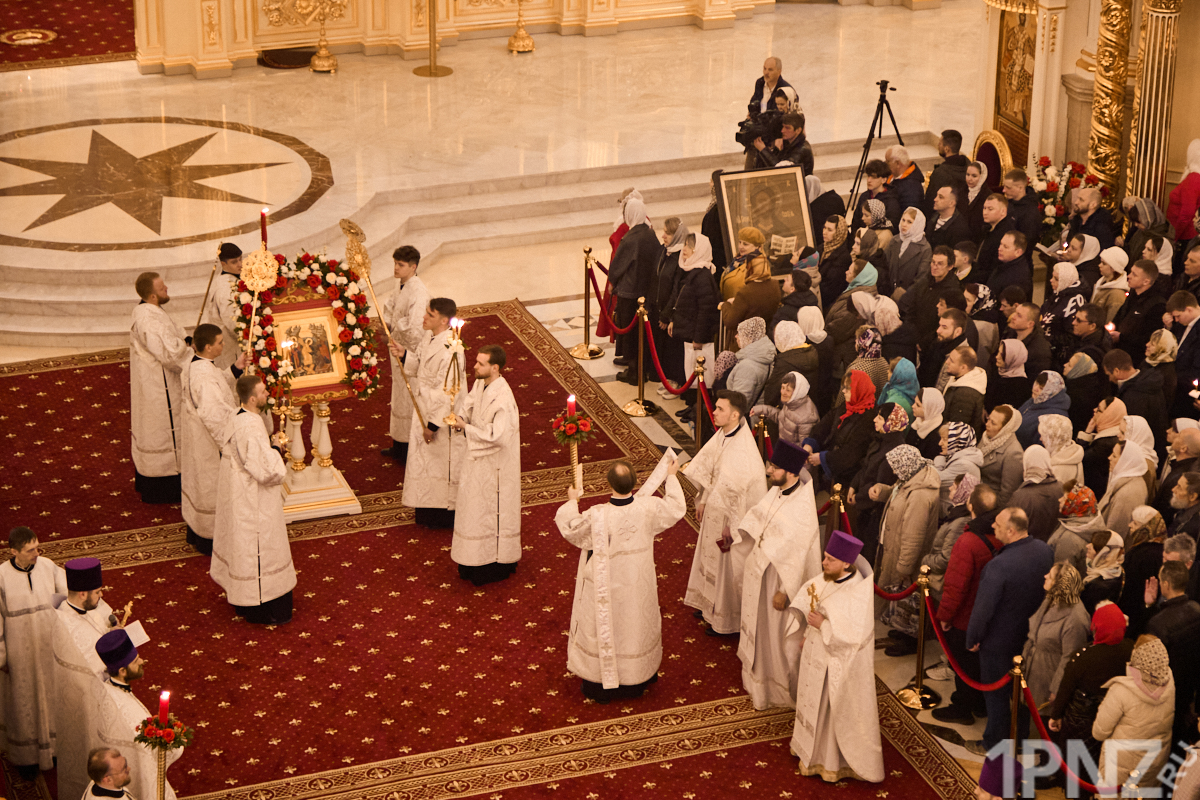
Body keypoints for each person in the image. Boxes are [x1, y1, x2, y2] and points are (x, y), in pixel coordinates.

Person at [555, 457, 686, 703]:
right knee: (635, 624)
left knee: (606, 625)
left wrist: (572, 501)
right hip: (638, 582)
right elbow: (676, 507)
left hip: (607, 584)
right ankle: (637, 675)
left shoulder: (598, 515)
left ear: (609, 484)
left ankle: (602, 680)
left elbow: (572, 528)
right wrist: (671, 476)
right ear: (634, 483)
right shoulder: (649, 507)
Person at [788, 530, 884, 783]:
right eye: (824, 556)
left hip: (835, 664)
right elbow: (815, 603)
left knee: (827, 711)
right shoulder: (828, 577)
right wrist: (808, 633)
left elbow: (853, 638)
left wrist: (822, 625)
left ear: (846, 564)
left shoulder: (856, 593)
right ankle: (805, 749)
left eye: (830, 559)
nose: (824, 563)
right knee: (810, 701)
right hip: (816, 651)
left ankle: (826, 761)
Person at [735, 441, 822, 709]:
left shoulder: (801, 508)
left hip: (779, 579)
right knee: (759, 629)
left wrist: (784, 591)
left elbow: (799, 554)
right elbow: (760, 516)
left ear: (792, 472)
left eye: (775, 467)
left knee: (775, 636)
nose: (769, 471)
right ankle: (756, 678)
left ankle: (776, 690)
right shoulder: (778, 490)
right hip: (761, 570)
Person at [965, 507, 1054, 755]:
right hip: (1030, 636)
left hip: (999, 641)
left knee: (996, 695)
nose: (993, 526)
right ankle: (1020, 737)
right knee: (1022, 693)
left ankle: (994, 743)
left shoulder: (999, 565)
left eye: (997, 524)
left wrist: (972, 638)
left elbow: (983, 609)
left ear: (1011, 531)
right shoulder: (1044, 550)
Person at [210, 374, 295, 625]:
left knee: (245, 547)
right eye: (263, 391)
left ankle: (244, 600)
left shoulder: (238, 416)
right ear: (252, 399)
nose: (267, 394)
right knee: (260, 549)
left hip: (241, 494)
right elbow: (268, 471)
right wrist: (277, 449)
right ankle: (264, 607)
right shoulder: (250, 427)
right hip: (253, 501)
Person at [684, 391, 768, 635]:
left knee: (724, 568)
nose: (714, 412)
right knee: (707, 559)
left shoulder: (743, 449)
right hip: (714, 509)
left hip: (729, 519)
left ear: (735, 415)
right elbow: (711, 470)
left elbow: (741, 495)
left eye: (720, 409)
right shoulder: (723, 434)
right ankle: (706, 603)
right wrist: (703, 499)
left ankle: (723, 619)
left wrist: (732, 524)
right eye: (716, 407)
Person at [445, 345, 521, 586]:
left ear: (495, 368)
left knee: (489, 512)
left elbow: (498, 436)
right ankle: (472, 559)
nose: (475, 366)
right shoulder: (480, 384)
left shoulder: (504, 399)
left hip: (496, 467)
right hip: (477, 461)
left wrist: (466, 428)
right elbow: (469, 405)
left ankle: (492, 563)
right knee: (472, 510)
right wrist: (461, 418)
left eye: (480, 363)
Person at [0, 527, 67, 780]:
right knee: (23, 701)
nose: (37, 554)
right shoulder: (1, 577)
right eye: (30, 550)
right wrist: (2, 656)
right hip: (19, 652)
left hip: (49, 646)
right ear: (13, 551)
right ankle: (26, 758)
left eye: (37, 547)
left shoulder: (48, 566)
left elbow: (66, 600)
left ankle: (55, 750)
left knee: (51, 696)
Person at [932, 483, 1001, 723]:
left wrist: (945, 616)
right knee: (979, 664)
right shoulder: (1001, 534)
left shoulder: (967, 541)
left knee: (963, 665)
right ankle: (980, 704)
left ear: (971, 506)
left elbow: (955, 585)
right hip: (989, 614)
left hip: (965, 617)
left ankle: (962, 708)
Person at [51, 557, 118, 800]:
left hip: (100, 691)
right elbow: (93, 663)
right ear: (82, 594)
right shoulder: (65, 623)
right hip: (82, 698)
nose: (102, 596)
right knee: (86, 745)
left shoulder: (93, 606)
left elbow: (106, 623)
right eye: (98, 592)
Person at [1044, 602, 1136, 775]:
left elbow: (1066, 688)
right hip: (1116, 721)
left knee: (1077, 769)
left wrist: (1055, 715)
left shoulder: (1083, 656)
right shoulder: (1131, 650)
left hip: (1082, 723)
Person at [402, 298, 468, 528]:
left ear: (443, 320)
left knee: (439, 465)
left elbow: (449, 391)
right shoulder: (429, 337)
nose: (424, 317)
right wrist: (404, 355)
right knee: (424, 464)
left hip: (440, 418)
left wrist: (432, 425)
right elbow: (419, 367)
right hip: (424, 407)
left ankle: (442, 514)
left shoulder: (452, 350)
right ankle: (425, 507)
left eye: (430, 315)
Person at [95, 629, 183, 800]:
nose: (142, 661)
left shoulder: (109, 687)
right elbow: (149, 754)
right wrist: (173, 742)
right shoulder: (127, 712)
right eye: (136, 661)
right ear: (122, 671)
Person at [180, 323, 245, 556]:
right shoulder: (204, 378)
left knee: (201, 485)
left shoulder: (196, 364)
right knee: (212, 487)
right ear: (208, 347)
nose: (223, 345)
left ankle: (198, 533)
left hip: (197, 436)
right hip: (208, 442)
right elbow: (213, 413)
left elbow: (218, 383)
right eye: (219, 342)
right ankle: (212, 540)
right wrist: (234, 437)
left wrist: (236, 368)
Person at [130, 271, 189, 504]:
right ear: (152, 296)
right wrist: (189, 349)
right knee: (164, 433)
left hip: (154, 382)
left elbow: (172, 335)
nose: (167, 289)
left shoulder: (150, 311)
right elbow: (170, 355)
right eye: (163, 288)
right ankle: (165, 490)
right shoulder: (148, 319)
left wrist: (184, 340)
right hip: (159, 387)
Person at [1092, 635, 1176, 796]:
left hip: (1120, 768)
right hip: (1153, 763)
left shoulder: (1121, 690)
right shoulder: (1169, 682)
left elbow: (1098, 732)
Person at [382, 245, 432, 461]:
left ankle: (408, 448)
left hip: (409, 354)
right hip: (397, 348)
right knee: (399, 396)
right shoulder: (401, 284)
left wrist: (393, 329)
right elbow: (391, 307)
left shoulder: (418, 292)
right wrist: (387, 323)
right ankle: (398, 443)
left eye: (400, 265)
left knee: (408, 399)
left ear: (413, 267)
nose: (396, 268)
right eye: (395, 263)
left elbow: (415, 328)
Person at [874, 445, 941, 607]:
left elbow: (913, 537)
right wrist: (883, 491)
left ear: (906, 465)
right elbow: (899, 494)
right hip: (892, 549)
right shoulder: (911, 477)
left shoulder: (920, 495)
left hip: (899, 558)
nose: (894, 472)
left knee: (892, 605)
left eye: (896, 467)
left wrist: (904, 568)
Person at [1145, 560, 1200, 753]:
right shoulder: (1196, 609)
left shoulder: (1158, 624)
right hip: (1191, 688)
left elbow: (1151, 663)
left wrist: (1148, 608)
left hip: (1168, 693)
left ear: (1166, 585)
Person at [1022, 561, 1089, 709]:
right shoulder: (1050, 600)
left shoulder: (1075, 619)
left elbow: (1070, 658)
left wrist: (1057, 689)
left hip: (1049, 679)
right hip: (1034, 672)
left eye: (1050, 576)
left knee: (1042, 720)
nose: (1045, 576)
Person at [609, 197, 664, 377]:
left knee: (630, 334)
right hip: (646, 291)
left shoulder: (630, 239)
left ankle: (633, 372)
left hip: (629, 292)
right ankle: (643, 366)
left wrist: (612, 282)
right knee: (642, 334)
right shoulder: (650, 234)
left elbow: (618, 266)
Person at [668, 232, 721, 410]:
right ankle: (691, 406)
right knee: (689, 372)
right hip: (687, 329)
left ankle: (697, 409)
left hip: (695, 335)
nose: (684, 249)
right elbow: (681, 300)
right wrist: (674, 321)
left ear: (698, 250)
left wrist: (698, 338)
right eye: (685, 245)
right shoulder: (690, 271)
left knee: (698, 375)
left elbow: (706, 311)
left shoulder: (703, 276)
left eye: (689, 247)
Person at [803, 371, 877, 488]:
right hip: (836, 468)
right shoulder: (848, 405)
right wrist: (810, 444)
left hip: (849, 477)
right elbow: (826, 423)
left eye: (847, 388)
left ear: (858, 390)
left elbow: (852, 453)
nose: (843, 391)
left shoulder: (868, 419)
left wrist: (823, 459)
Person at [1103, 348, 1168, 458]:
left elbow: (1131, 432)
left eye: (1109, 374)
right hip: (1157, 444)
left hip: (1142, 452)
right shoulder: (1148, 381)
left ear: (1117, 371)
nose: (1109, 379)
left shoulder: (1134, 395)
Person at [1118, 506, 1167, 633]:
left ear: (1146, 530)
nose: (1129, 525)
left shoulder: (1143, 556)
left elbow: (1132, 590)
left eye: (1135, 523)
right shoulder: (1162, 550)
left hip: (1135, 615)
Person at [1112, 260, 1168, 362]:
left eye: (1134, 274)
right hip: (1118, 350)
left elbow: (1149, 338)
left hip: (1135, 357)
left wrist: (1122, 337)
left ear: (1146, 281)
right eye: (1131, 272)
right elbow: (1120, 316)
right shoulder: (1132, 294)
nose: (1129, 276)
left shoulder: (1157, 305)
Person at [200, 241, 244, 371]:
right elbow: (232, 322)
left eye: (240, 259)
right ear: (223, 264)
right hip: (230, 345)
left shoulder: (225, 278)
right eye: (234, 262)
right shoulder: (225, 288)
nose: (240, 264)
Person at [1048, 485, 1108, 575]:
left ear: (1075, 506)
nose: (1059, 500)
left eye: (1064, 498)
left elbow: (1061, 576)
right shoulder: (1095, 521)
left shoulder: (1068, 540)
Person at [1009, 445, 1062, 542]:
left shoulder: (1020, 496)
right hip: (1057, 544)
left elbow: (1011, 529)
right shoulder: (1062, 488)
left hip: (1029, 547)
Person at [752, 371, 819, 447]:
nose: (783, 392)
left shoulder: (807, 417)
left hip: (791, 453)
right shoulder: (791, 403)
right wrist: (762, 409)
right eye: (782, 388)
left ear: (797, 392)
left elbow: (804, 448)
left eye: (788, 390)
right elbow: (782, 418)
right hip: (784, 448)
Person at [762, 321, 818, 409]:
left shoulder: (784, 362)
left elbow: (772, 393)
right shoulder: (811, 352)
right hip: (806, 407)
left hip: (784, 409)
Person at [1042, 263, 1088, 364]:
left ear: (1066, 281)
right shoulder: (1058, 294)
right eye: (1052, 277)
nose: (1051, 280)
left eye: (1056, 279)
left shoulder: (1075, 301)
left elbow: (1071, 335)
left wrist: (1049, 340)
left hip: (1058, 354)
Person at [979, 405, 1024, 506]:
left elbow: (1007, 495)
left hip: (989, 505)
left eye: (993, 423)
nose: (987, 424)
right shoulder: (988, 437)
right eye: (988, 419)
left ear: (1005, 428)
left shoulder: (1013, 453)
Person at [726, 317, 775, 407]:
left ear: (748, 338)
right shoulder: (763, 356)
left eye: (739, 333)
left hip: (747, 414)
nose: (736, 336)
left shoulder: (747, 366)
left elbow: (739, 402)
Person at [1015, 371, 1070, 448]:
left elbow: (1043, 447)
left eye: (1041, 388)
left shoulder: (1055, 418)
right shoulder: (1037, 399)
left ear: (1051, 392)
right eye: (1036, 383)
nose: (1035, 388)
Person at [942, 345, 987, 436]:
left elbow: (956, 431)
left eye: (952, 361)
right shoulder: (959, 379)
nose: (947, 362)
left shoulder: (965, 396)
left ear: (963, 367)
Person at [1168, 290, 1200, 420]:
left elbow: (1196, 369)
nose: (1176, 320)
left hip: (1187, 392)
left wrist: (1171, 378)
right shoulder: (1182, 325)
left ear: (1189, 309)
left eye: (1178, 316)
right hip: (1178, 387)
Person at [923, 129, 970, 216]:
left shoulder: (940, 174)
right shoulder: (968, 166)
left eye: (940, 143)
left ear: (947, 149)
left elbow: (930, 204)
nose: (938, 145)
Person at [850, 160, 900, 238]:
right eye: (868, 176)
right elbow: (855, 223)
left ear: (884, 179)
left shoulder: (891, 201)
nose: (869, 180)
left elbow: (892, 228)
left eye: (873, 177)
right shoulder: (864, 196)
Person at [1004, 301, 1053, 378]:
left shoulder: (1040, 351)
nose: (1013, 317)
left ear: (1030, 324)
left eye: (1019, 316)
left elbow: (1034, 380)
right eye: (1015, 312)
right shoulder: (1009, 334)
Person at [1167, 139, 1200, 253]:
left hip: (1185, 237)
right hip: (1187, 235)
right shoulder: (1195, 178)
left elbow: (1187, 213)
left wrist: (1174, 237)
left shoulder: (1193, 178)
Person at [768, 267, 818, 339]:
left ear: (792, 289)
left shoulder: (784, 312)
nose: (784, 279)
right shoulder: (814, 305)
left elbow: (773, 333)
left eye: (788, 280)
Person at [975, 194, 1016, 283]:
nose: (985, 212)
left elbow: (996, 267)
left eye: (990, 209)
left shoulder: (1005, 235)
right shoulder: (988, 228)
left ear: (1003, 211)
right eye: (984, 208)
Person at [1001, 169, 1042, 250]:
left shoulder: (1030, 213)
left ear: (1020, 188)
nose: (1004, 190)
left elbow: (1027, 243)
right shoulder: (1008, 203)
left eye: (1008, 187)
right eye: (1004, 186)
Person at [987, 231, 1034, 300]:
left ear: (1018, 252)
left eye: (1005, 247)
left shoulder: (1018, 277)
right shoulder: (1005, 264)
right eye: (1001, 244)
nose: (999, 249)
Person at [817, 216, 852, 309]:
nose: (824, 232)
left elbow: (831, 288)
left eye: (829, 230)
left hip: (830, 304)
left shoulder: (843, 257)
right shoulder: (822, 248)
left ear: (839, 233)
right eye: (824, 228)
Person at [1040, 414, 1084, 487]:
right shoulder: (1072, 454)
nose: (1040, 439)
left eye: (1044, 435)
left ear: (1053, 438)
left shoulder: (1058, 468)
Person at [987, 339, 1032, 410]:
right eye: (998, 352)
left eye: (1002, 355)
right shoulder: (997, 370)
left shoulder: (1020, 387)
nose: (997, 357)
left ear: (1013, 358)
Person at [1092, 246, 1131, 325]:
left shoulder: (1117, 295)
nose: (1099, 265)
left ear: (1113, 268)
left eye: (1104, 263)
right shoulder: (1101, 282)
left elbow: (1110, 322)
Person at [926, 185, 972, 251]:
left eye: (941, 197)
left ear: (951, 203)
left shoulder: (959, 228)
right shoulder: (933, 218)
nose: (935, 199)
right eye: (936, 195)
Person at [1143, 327, 1178, 412]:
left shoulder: (1167, 373)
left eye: (1153, 344)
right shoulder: (1147, 362)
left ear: (1162, 349)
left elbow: (1163, 403)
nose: (1147, 344)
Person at [884, 145, 925, 215]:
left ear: (898, 163)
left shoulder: (912, 188)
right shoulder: (890, 176)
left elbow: (909, 214)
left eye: (888, 161)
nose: (885, 164)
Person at [909, 387, 945, 460]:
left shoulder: (937, 435)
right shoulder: (917, 422)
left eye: (918, 405)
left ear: (929, 409)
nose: (913, 406)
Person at [1166, 471, 1200, 540]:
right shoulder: (1185, 509)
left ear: (1192, 497)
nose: (1173, 489)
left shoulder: (1190, 527)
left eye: (1179, 487)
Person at [964, 162, 991, 241]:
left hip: (978, 236)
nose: (969, 179)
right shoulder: (962, 191)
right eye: (968, 174)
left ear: (982, 176)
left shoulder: (988, 196)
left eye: (974, 176)